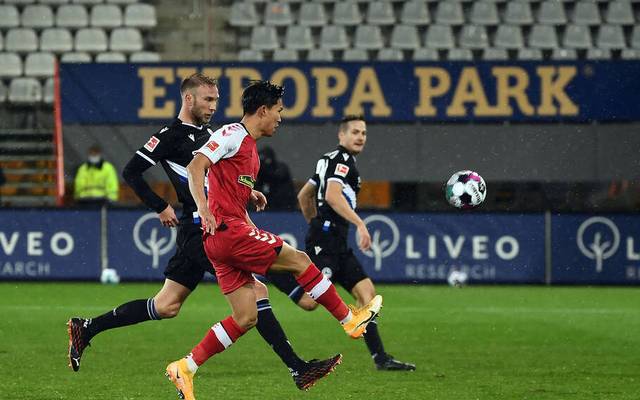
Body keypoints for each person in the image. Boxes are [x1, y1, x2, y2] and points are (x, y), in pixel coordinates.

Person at [66, 73, 341, 391]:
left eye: (216, 100)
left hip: (205, 229)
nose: (213, 106)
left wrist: (247, 191)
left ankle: (86, 327)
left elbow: (217, 175)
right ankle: (298, 366)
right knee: (257, 293)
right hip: (200, 229)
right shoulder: (169, 135)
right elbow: (132, 171)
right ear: (188, 99)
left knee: (166, 306)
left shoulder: (213, 133)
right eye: (208, 100)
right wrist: (159, 206)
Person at [167, 81, 383, 400]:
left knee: (246, 315)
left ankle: (185, 367)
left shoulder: (250, 151)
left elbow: (220, 182)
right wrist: (203, 209)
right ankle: (350, 320)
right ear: (263, 110)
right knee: (301, 261)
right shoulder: (232, 134)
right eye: (279, 111)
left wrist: (246, 194)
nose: (280, 118)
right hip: (226, 232)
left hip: (220, 239)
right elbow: (195, 166)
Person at [266, 115, 415, 371]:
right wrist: (358, 224)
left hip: (335, 240)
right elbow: (334, 197)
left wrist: (316, 221)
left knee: (367, 294)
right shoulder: (342, 161)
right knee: (310, 302)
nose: (360, 137)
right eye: (355, 132)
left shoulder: (328, 159)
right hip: (327, 240)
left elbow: (305, 195)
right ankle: (270, 268)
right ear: (341, 135)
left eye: (364, 133)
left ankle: (380, 358)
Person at [254, 146, 296, 210]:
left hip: (284, 205)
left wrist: (264, 169)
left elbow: (277, 177)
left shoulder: (281, 167)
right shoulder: (260, 171)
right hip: (266, 206)